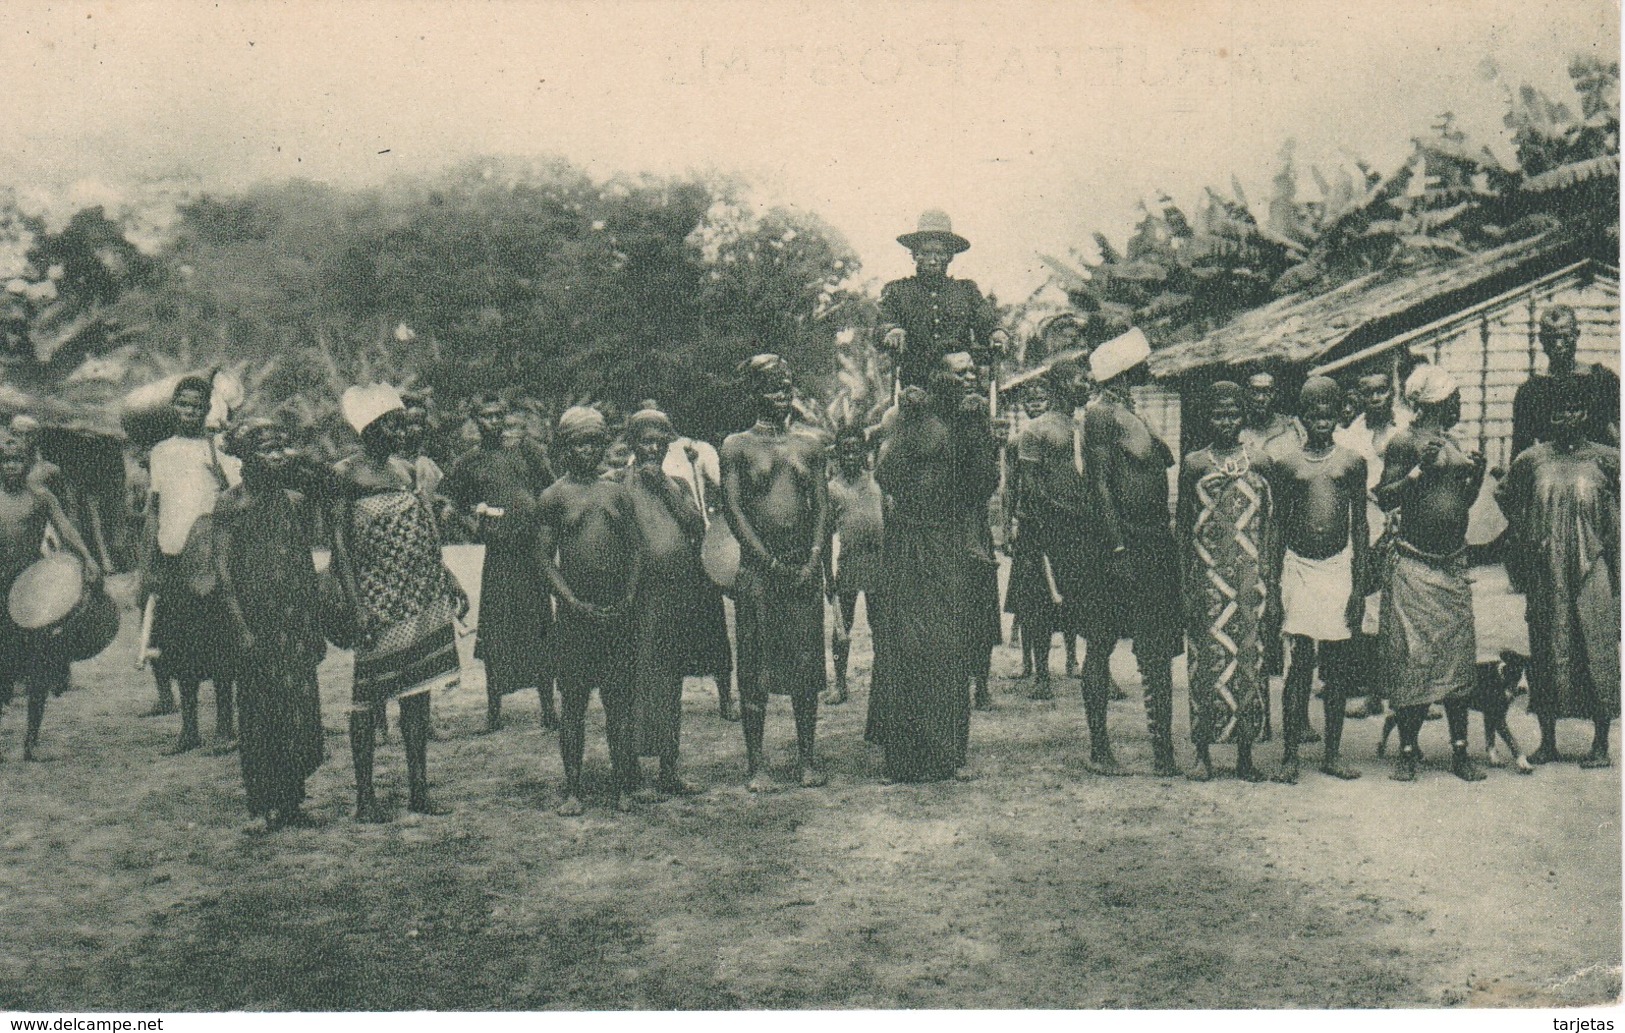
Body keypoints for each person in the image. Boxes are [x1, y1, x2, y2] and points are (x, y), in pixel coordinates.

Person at [332, 384, 468, 822]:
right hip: (376, 598)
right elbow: (341, 549)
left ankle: (419, 789)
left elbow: (425, 534)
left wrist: (448, 578)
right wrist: (356, 607)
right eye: (389, 423)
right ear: (368, 428)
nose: (398, 430)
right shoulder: (345, 475)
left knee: (417, 693)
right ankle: (366, 797)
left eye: (400, 422)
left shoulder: (405, 471)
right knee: (369, 696)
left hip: (420, 593)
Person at [867, 352, 999, 781]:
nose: (969, 377)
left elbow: (982, 486)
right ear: (937, 376)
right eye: (959, 371)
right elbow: (886, 475)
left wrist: (978, 431)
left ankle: (947, 753)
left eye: (971, 371)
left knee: (949, 647)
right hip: (907, 541)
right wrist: (912, 422)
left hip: (950, 542)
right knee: (906, 647)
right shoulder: (902, 416)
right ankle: (903, 758)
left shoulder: (967, 421)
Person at [1497, 377, 1620, 769]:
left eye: (1574, 410)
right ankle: (1548, 741)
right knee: (1547, 649)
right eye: (1557, 412)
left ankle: (1600, 743)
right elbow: (1508, 504)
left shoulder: (1608, 459)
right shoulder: (1531, 461)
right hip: (1546, 571)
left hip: (1592, 568)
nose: (1566, 418)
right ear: (1548, 418)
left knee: (1597, 649)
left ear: (1586, 414)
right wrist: (1524, 547)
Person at [720, 355, 830, 791]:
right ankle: (757, 764)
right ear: (753, 392)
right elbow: (733, 510)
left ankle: (807, 760)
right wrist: (765, 560)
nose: (782, 391)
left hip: (803, 567)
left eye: (787, 383)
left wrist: (814, 557)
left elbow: (821, 506)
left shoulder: (811, 445)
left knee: (805, 666)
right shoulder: (737, 446)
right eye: (771, 384)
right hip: (758, 569)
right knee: (755, 666)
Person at [1373, 365, 1488, 782]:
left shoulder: (1453, 443)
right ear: (1436, 401)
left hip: (1452, 565)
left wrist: (1474, 476)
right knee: (1413, 661)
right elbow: (1384, 498)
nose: (1459, 404)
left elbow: (1463, 503)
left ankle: (1460, 751)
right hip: (1415, 565)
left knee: (1457, 663)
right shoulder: (1404, 443)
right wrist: (1418, 470)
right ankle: (1408, 750)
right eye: (1454, 397)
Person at [1079, 329, 1185, 776]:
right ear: (1127, 370)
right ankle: (1100, 748)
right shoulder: (1102, 416)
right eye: (1142, 364)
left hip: (1153, 538)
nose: (1150, 369)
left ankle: (1162, 750)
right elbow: (1100, 483)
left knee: (1156, 645)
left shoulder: (1129, 412)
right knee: (1101, 641)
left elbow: (1160, 459)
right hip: (1119, 544)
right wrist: (1117, 544)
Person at [211, 419, 326, 832]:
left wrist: (313, 623)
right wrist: (240, 628)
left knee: (298, 708)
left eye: (281, 448)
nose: (276, 457)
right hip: (255, 622)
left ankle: (293, 799)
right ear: (245, 456)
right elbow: (222, 572)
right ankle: (262, 804)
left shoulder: (294, 501)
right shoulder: (231, 504)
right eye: (266, 450)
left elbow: (304, 563)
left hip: (293, 621)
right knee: (261, 712)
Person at [535, 406, 641, 815]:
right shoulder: (555, 496)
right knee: (574, 705)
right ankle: (573, 788)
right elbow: (544, 559)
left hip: (616, 613)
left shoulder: (616, 493)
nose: (587, 450)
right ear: (564, 447)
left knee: (618, 704)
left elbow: (634, 549)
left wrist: (629, 596)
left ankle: (624, 786)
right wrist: (570, 600)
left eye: (594, 442)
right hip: (576, 619)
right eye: (579, 442)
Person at [1266, 377, 1369, 783]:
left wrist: (1359, 587)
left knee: (1337, 667)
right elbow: (1276, 526)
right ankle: (1290, 755)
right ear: (1302, 418)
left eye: (1329, 413)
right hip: (1300, 570)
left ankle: (1331, 754)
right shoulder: (1287, 464)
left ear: (1339, 413)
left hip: (1338, 569)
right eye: (1313, 414)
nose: (1321, 420)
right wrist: (1273, 586)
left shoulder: (1351, 462)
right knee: (1299, 664)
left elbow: (1360, 526)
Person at [1177, 382, 1272, 782]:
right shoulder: (1195, 463)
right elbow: (1182, 527)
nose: (1226, 422)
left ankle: (1246, 753)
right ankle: (1203, 752)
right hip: (1207, 578)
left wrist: (1270, 576)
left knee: (1248, 663)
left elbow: (1270, 525)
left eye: (1233, 414)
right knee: (1205, 666)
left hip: (1250, 581)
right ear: (1207, 417)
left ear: (1244, 416)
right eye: (1219, 414)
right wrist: (1184, 581)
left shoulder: (1261, 462)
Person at [443, 395, 556, 732]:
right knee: (496, 633)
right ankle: (494, 713)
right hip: (499, 558)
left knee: (539, 629)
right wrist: (474, 523)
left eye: (497, 416)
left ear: (505, 417)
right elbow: (450, 503)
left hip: (530, 553)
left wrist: (542, 528)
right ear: (476, 422)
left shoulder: (525, 452)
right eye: (485, 417)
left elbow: (550, 491)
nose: (492, 422)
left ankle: (548, 709)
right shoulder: (469, 463)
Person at [142, 375, 242, 754]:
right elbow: (155, 509)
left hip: (212, 560)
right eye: (181, 404)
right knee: (178, 647)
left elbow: (234, 500)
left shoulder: (221, 448)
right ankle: (188, 730)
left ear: (206, 409)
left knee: (221, 647)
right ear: (173, 408)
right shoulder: (161, 452)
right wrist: (149, 560)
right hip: (173, 559)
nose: (187, 411)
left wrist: (220, 470)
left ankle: (225, 727)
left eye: (195, 405)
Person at [618, 406, 706, 799]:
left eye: (659, 441)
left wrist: (666, 488)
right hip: (635, 600)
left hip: (674, 596)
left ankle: (669, 768)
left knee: (670, 682)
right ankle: (633, 774)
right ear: (632, 445)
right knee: (633, 683)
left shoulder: (679, 486)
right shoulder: (619, 487)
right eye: (645, 441)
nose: (653, 448)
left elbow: (694, 524)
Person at [0, 433, 100, 761]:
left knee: (38, 666)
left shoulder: (41, 498)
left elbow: (66, 529)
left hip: (33, 592)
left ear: (29, 464)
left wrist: (87, 557)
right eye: (4, 461)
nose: (10, 466)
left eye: (16, 461)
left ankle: (31, 740)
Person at [1009, 359, 1097, 701]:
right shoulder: (1036, 431)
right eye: (1079, 380)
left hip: (1080, 526)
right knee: (1040, 602)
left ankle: (1093, 667)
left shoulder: (1084, 427)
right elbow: (1030, 486)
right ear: (1060, 385)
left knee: (1088, 596)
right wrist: (1059, 513)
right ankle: (1042, 676)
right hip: (1044, 528)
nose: (1086, 386)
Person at [1333, 368, 1412, 719]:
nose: (1377, 398)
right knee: (1368, 609)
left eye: (1382, 391)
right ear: (1360, 398)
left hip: (1406, 524)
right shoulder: (1350, 437)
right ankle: (1369, 692)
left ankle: (1408, 693)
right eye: (1369, 393)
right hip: (1365, 524)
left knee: (1404, 607)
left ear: (1391, 393)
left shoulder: (1407, 428)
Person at [653, 402, 737, 722]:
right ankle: (665, 701)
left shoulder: (698, 449)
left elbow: (724, 487)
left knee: (713, 627)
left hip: (695, 547)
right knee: (666, 629)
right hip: (662, 552)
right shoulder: (641, 457)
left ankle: (726, 697)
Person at [877, 211, 1008, 389]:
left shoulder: (966, 291)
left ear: (950, 256)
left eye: (939, 253)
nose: (932, 260)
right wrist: (891, 330)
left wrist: (996, 332)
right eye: (926, 253)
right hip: (915, 385)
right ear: (915, 255)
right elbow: (880, 325)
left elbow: (986, 321)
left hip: (960, 385)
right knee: (889, 417)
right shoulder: (897, 291)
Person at [1510, 304, 1620, 464]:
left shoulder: (1602, 380)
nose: (1559, 345)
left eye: (1565, 336)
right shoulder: (1530, 391)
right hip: (1551, 470)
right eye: (1551, 338)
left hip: (1601, 469)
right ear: (1541, 340)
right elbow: (1520, 451)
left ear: (1577, 334)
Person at [826, 424, 884, 707]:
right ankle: (839, 682)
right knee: (841, 627)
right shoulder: (831, 489)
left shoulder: (876, 482)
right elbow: (823, 536)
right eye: (844, 452)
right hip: (848, 563)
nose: (850, 457)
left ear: (863, 453)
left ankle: (884, 684)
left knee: (882, 625)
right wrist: (827, 575)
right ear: (837, 454)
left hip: (878, 562)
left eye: (855, 451)